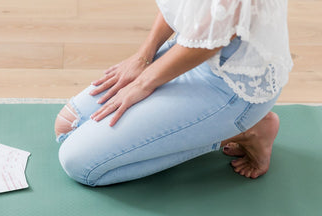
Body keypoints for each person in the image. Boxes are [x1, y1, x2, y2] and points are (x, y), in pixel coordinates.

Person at [54, 0, 293, 187]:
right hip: (187, 48)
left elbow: (216, 36)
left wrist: (143, 83)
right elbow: (180, 6)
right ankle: (234, 127)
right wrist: (143, 56)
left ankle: (248, 130)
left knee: (80, 164)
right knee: (67, 125)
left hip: (232, 84)